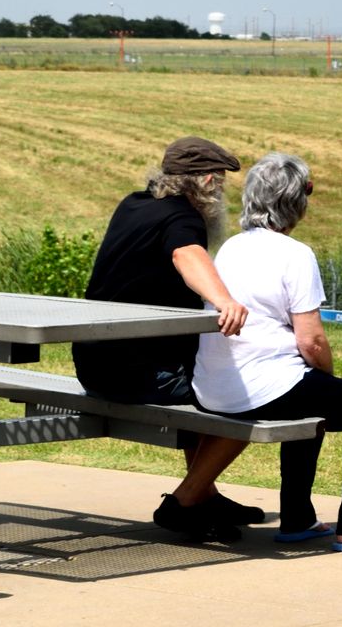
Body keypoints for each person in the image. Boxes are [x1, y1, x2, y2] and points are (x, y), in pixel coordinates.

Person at [193, 153, 342, 551]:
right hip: (259, 389)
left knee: (306, 390)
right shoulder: (295, 254)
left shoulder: (231, 248)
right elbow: (312, 342)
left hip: (213, 387)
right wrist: (328, 373)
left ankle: (298, 518)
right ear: (297, 202)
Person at [73, 136, 257, 542]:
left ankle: (205, 494)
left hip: (93, 365)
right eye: (221, 183)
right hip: (136, 376)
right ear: (207, 181)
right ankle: (186, 501)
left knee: (199, 370)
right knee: (239, 392)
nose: (221, 193)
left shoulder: (133, 204)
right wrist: (224, 300)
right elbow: (185, 254)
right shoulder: (183, 217)